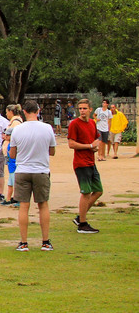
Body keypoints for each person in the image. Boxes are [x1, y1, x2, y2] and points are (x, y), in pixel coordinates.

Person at [9, 102, 56, 251]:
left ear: (23, 111)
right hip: (41, 170)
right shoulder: (47, 128)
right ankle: (45, 241)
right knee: (43, 204)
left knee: (24, 205)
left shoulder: (17, 130)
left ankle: (23, 242)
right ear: (38, 110)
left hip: (23, 170)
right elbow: (52, 151)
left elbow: (12, 153)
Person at [68, 100, 105, 235]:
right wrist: (89, 146)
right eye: (80, 108)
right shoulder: (74, 124)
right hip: (81, 163)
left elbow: (96, 139)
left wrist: (94, 147)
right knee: (86, 192)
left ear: (90, 109)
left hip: (91, 162)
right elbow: (71, 144)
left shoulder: (92, 123)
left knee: (98, 190)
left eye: (84, 108)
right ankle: (82, 224)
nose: (82, 111)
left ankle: (80, 217)